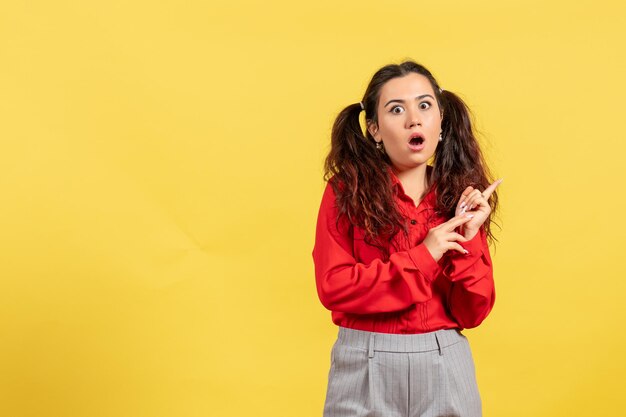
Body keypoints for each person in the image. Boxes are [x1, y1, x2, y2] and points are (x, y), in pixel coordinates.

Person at [312, 60, 503, 417]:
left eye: (425, 105)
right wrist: (424, 254)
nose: (414, 119)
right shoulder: (344, 192)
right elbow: (333, 286)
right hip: (364, 361)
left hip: (445, 360)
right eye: (396, 109)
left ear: (441, 121)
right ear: (375, 129)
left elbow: (473, 312)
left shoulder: (459, 199)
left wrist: (468, 240)